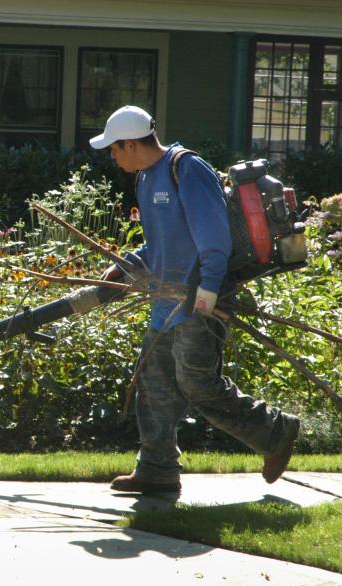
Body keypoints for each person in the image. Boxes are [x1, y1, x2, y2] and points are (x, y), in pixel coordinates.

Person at [89, 105, 300, 494]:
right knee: (153, 383)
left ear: (131, 144)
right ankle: (157, 469)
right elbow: (161, 242)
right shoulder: (147, 178)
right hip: (165, 301)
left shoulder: (186, 169)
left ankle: (275, 430)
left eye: (114, 150)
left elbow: (214, 242)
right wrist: (128, 264)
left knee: (197, 383)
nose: (113, 157)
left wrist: (205, 296)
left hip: (201, 297)